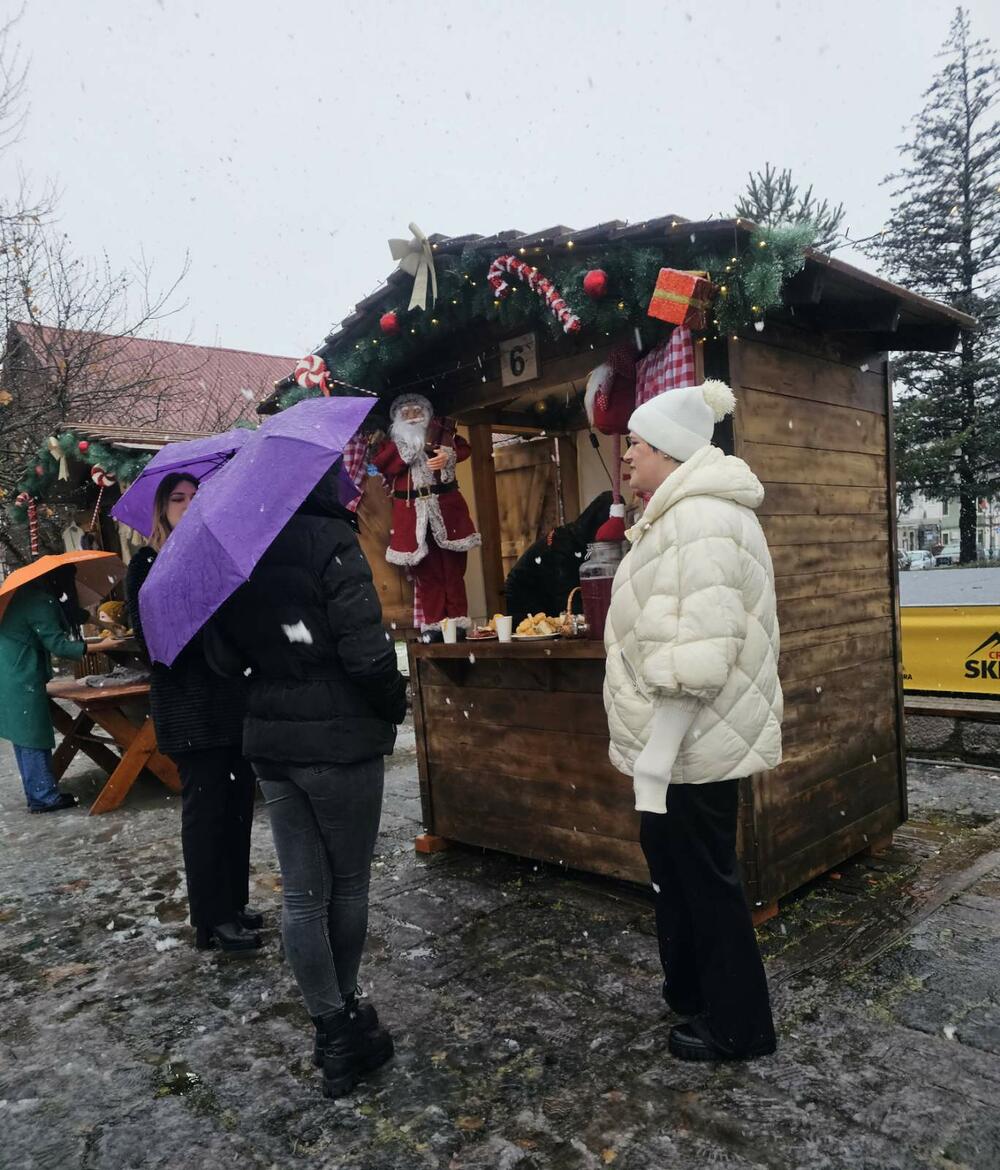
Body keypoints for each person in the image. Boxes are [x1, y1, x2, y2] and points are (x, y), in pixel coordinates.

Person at [206, 461, 407, 1100]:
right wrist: (392, 701)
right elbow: (367, 655)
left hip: (272, 743)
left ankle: (332, 1026)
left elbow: (222, 658)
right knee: (347, 886)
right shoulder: (331, 543)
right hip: (339, 742)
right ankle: (342, 1024)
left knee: (301, 895)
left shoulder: (240, 550)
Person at [603, 380, 783, 1062]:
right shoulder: (676, 514)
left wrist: (659, 754)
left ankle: (739, 1027)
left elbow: (695, 653)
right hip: (678, 745)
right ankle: (697, 993)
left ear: (671, 452)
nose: (626, 457)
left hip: (688, 744)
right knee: (681, 875)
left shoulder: (698, 520)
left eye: (637, 446)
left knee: (705, 881)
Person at [126, 473, 260, 955]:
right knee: (206, 815)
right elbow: (153, 643)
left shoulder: (215, 555)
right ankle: (211, 917)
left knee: (238, 805)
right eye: (177, 498)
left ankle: (234, 903)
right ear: (161, 509)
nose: (187, 504)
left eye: (195, 496)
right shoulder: (147, 564)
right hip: (188, 708)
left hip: (230, 701)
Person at [0, 566, 121, 812]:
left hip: (10, 672)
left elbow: (67, 614)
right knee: (33, 735)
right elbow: (59, 645)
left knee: (24, 736)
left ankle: (37, 794)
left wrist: (98, 620)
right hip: (20, 675)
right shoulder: (39, 601)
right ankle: (44, 797)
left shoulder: (30, 595)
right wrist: (103, 645)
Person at [371, 393, 481, 635]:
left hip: (447, 512)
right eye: (406, 413)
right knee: (427, 573)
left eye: (417, 412)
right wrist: (409, 447)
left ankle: (457, 621)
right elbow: (383, 463)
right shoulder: (391, 444)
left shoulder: (440, 433)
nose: (412, 417)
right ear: (397, 418)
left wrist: (447, 456)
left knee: (453, 570)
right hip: (412, 517)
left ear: (427, 413)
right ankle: (434, 624)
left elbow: (463, 448)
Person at [504, 491, 613, 625]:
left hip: (545, 596)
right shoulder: (565, 542)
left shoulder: (583, 539)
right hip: (522, 598)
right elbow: (567, 599)